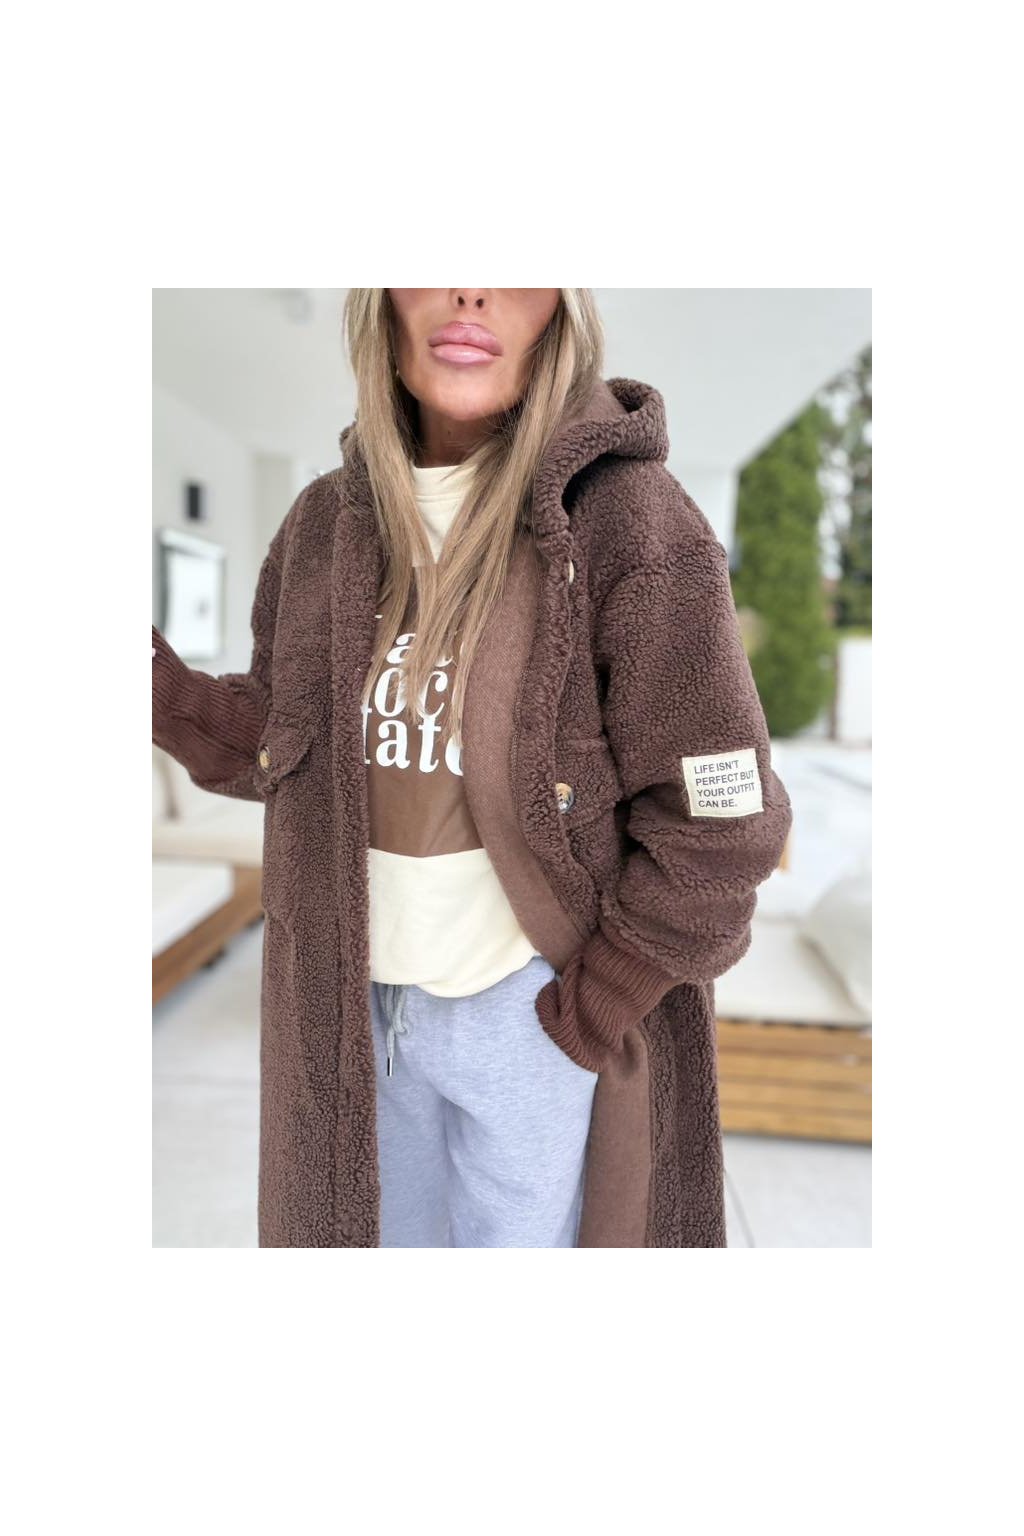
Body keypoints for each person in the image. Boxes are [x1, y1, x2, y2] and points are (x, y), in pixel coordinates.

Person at [152, 288, 792, 1248]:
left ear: (560, 311)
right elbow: (288, 744)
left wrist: (599, 1001)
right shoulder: (324, 523)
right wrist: (161, 692)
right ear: (383, 302)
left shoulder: (629, 520)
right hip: (351, 1010)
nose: (470, 289)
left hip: (529, 1010)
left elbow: (723, 819)